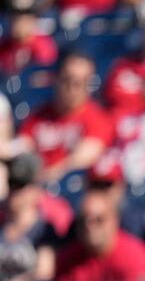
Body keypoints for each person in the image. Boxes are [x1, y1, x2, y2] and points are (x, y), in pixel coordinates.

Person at [16, 52, 114, 183]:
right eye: (67, 80)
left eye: (80, 83)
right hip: (34, 185)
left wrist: (45, 175)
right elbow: (21, 149)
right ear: (56, 79)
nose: (72, 89)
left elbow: (81, 160)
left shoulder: (98, 119)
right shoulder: (38, 116)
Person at [55, 188, 145, 281]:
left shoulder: (134, 256)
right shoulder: (67, 259)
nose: (89, 226)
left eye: (99, 220)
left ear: (114, 220)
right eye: (83, 220)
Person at [0, 153, 58, 281]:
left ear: (35, 189)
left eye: (20, 185)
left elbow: (45, 272)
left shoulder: (44, 230)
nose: (14, 191)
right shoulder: (2, 223)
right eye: (11, 183)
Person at [0, 7, 57, 75]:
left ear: (31, 22)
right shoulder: (5, 44)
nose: (17, 25)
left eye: (21, 20)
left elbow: (44, 71)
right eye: (13, 20)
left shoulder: (43, 44)